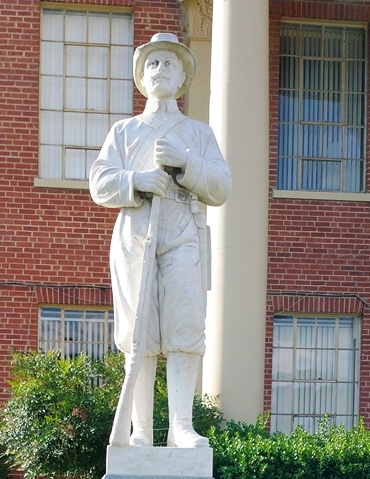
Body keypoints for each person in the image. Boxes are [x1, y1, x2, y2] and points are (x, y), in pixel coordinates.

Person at [89, 33, 231, 448]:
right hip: (137, 234)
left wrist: (186, 162)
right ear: (141, 77)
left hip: (183, 232)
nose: (160, 70)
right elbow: (99, 182)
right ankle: (142, 432)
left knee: (185, 326)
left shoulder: (198, 133)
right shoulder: (125, 130)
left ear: (184, 74)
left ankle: (181, 427)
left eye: (169, 63)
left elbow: (221, 187)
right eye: (152, 64)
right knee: (140, 335)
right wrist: (137, 180)